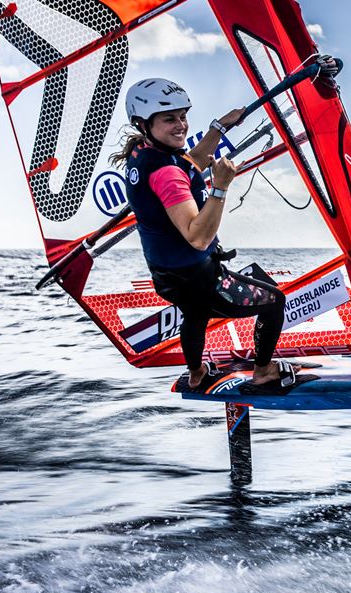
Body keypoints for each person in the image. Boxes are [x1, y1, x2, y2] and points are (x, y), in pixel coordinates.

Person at [112, 78, 296, 388]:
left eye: (183, 116)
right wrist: (221, 186)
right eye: (170, 119)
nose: (180, 125)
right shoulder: (166, 174)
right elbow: (198, 237)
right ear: (144, 123)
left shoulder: (144, 152)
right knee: (275, 299)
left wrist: (219, 127)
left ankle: (197, 375)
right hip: (201, 278)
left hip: (169, 276)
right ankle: (264, 371)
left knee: (195, 312)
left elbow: (191, 162)